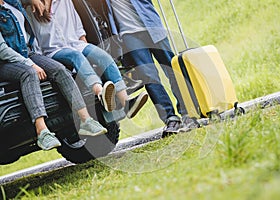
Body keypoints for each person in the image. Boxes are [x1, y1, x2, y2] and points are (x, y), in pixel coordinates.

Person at [0, 0, 109, 151]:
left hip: (27, 52)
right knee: (29, 73)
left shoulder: (11, 3)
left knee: (59, 69)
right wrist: (29, 63)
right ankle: (42, 132)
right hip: (5, 62)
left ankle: (86, 121)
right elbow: (2, 50)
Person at [27, 0, 148, 119]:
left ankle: (126, 102)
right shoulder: (30, 8)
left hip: (75, 44)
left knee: (103, 56)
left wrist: (86, 46)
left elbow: (77, 24)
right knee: (76, 56)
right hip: (52, 51)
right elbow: (33, 40)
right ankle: (101, 94)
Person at [105, 0, 200, 135]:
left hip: (151, 27)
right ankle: (170, 118)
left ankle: (188, 112)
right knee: (149, 77)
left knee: (171, 68)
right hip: (129, 35)